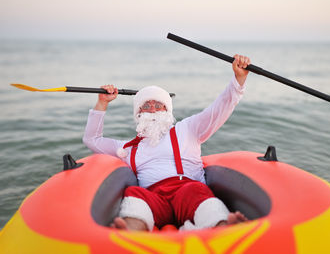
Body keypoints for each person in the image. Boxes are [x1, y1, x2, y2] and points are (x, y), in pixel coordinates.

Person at [83, 54, 250, 231]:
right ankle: (129, 231)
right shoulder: (127, 148)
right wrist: (102, 103)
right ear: (138, 114)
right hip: (153, 199)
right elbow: (92, 139)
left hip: (187, 193)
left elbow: (220, 108)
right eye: (146, 106)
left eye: (159, 104)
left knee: (194, 190)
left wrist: (239, 80)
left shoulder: (187, 129)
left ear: (168, 110)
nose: (153, 109)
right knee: (134, 193)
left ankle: (223, 226)